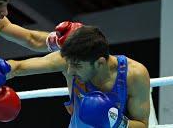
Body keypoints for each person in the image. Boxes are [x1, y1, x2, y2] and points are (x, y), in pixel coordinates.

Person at [8, 26, 150, 128]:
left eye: (77, 65)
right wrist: (1, 69)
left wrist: (117, 123)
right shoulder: (70, 59)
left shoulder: (134, 75)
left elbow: (142, 125)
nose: (70, 71)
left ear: (99, 63)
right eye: (68, 64)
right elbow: (19, 67)